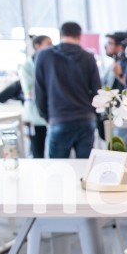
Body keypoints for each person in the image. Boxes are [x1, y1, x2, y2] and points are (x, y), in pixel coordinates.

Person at [35, 21, 102, 159]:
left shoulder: (44, 56)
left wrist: (47, 116)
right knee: (85, 167)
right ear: (79, 36)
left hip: (59, 117)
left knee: (58, 168)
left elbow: (39, 91)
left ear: (61, 34)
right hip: (85, 118)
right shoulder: (88, 57)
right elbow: (97, 91)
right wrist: (95, 115)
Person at [19, 35, 52, 158]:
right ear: (37, 46)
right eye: (48, 44)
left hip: (50, 111)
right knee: (38, 147)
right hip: (35, 112)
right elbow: (30, 90)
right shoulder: (27, 66)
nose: (51, 46)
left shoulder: (49, 62)